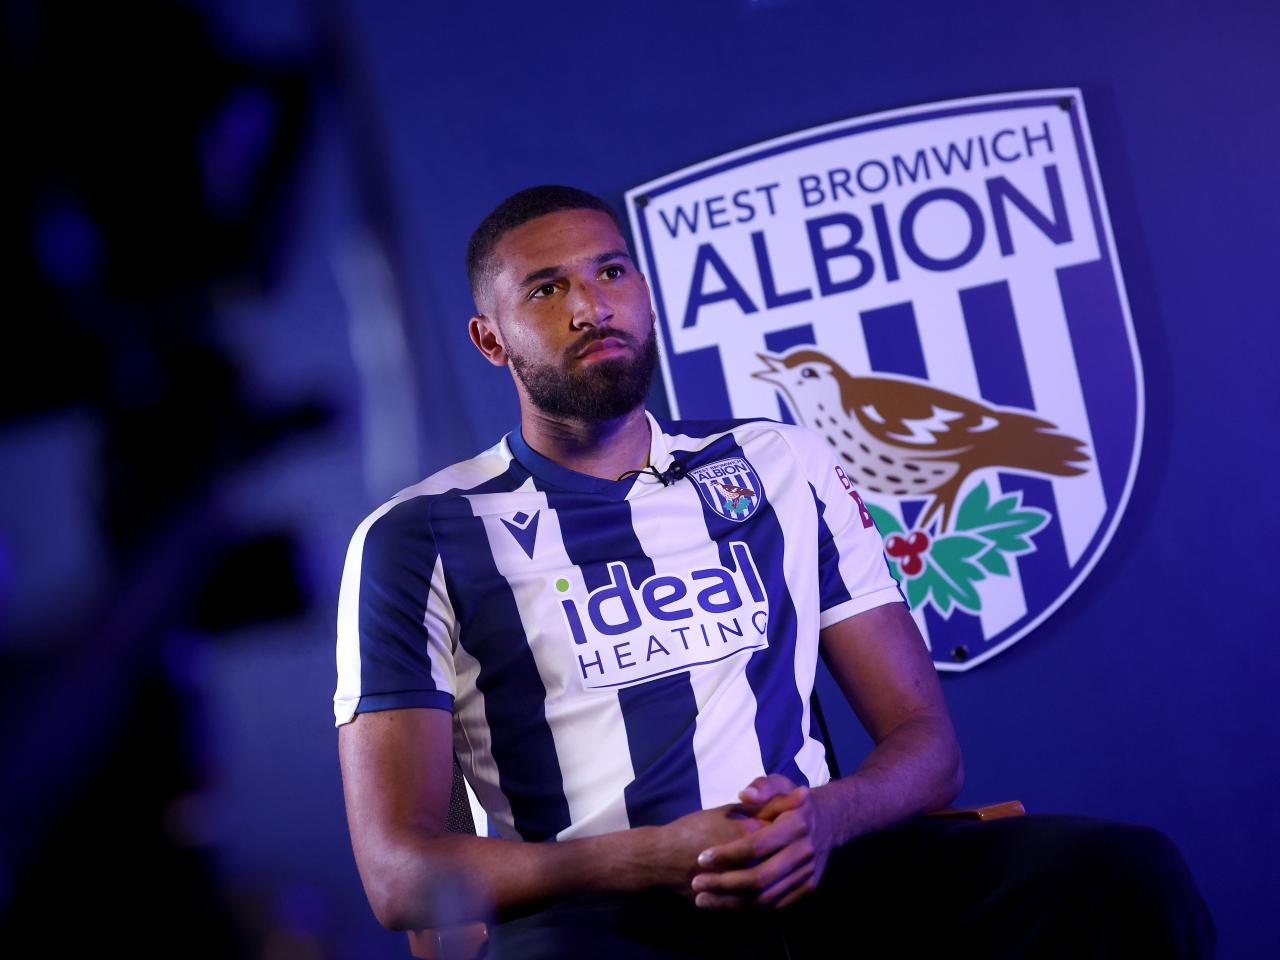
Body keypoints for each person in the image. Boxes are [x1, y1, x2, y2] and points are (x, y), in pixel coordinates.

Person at [334, 185, 1214, 958]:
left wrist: (826, 819)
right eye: (547, 288)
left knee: (1119, 877)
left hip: (825, 871)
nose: (590, 307)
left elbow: (928, 747)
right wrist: (647, 856)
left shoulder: (776, 462)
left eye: (611, 273)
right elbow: (397, 878)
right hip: (599, 914)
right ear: (491, 340)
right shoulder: (419, 537)